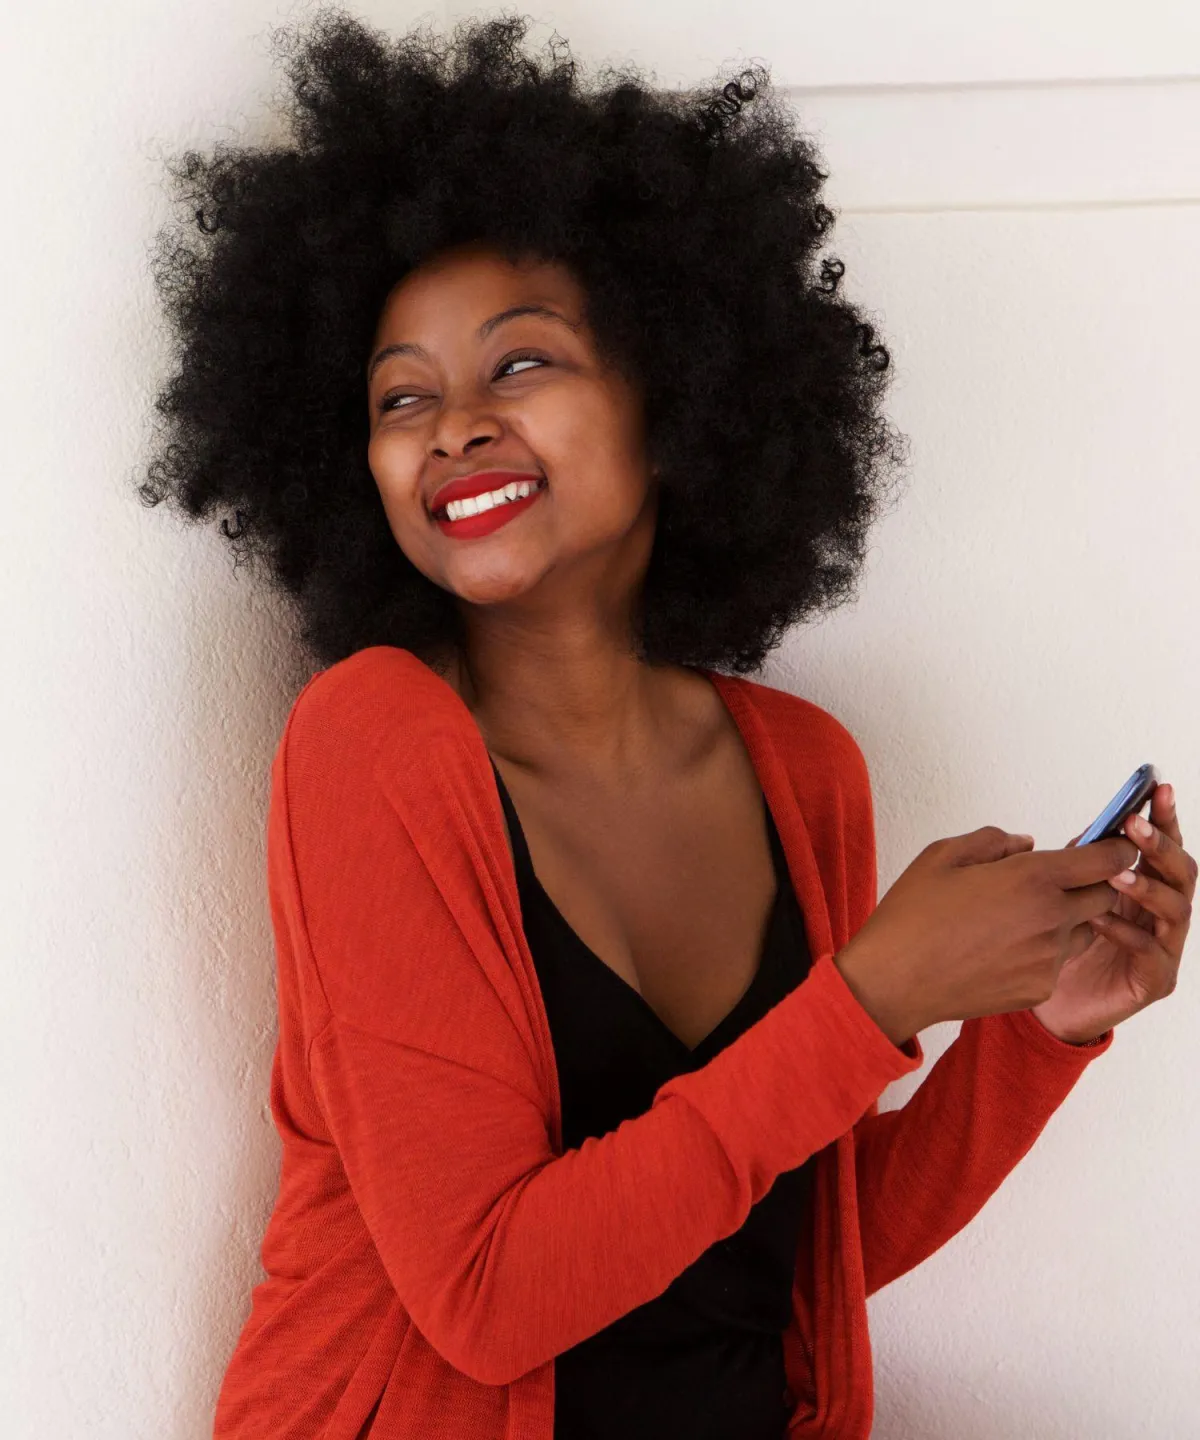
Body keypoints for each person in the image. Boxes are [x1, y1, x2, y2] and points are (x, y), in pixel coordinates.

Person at [139, 9, 1193, 1438]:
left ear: (678, 392)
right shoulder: (373, 741)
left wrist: (1041, 1037)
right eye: (402, 396)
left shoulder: (803, 770)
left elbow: (785, 1246)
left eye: (521, 364)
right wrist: (871, 998)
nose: (451, 424)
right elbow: (489, 1293)